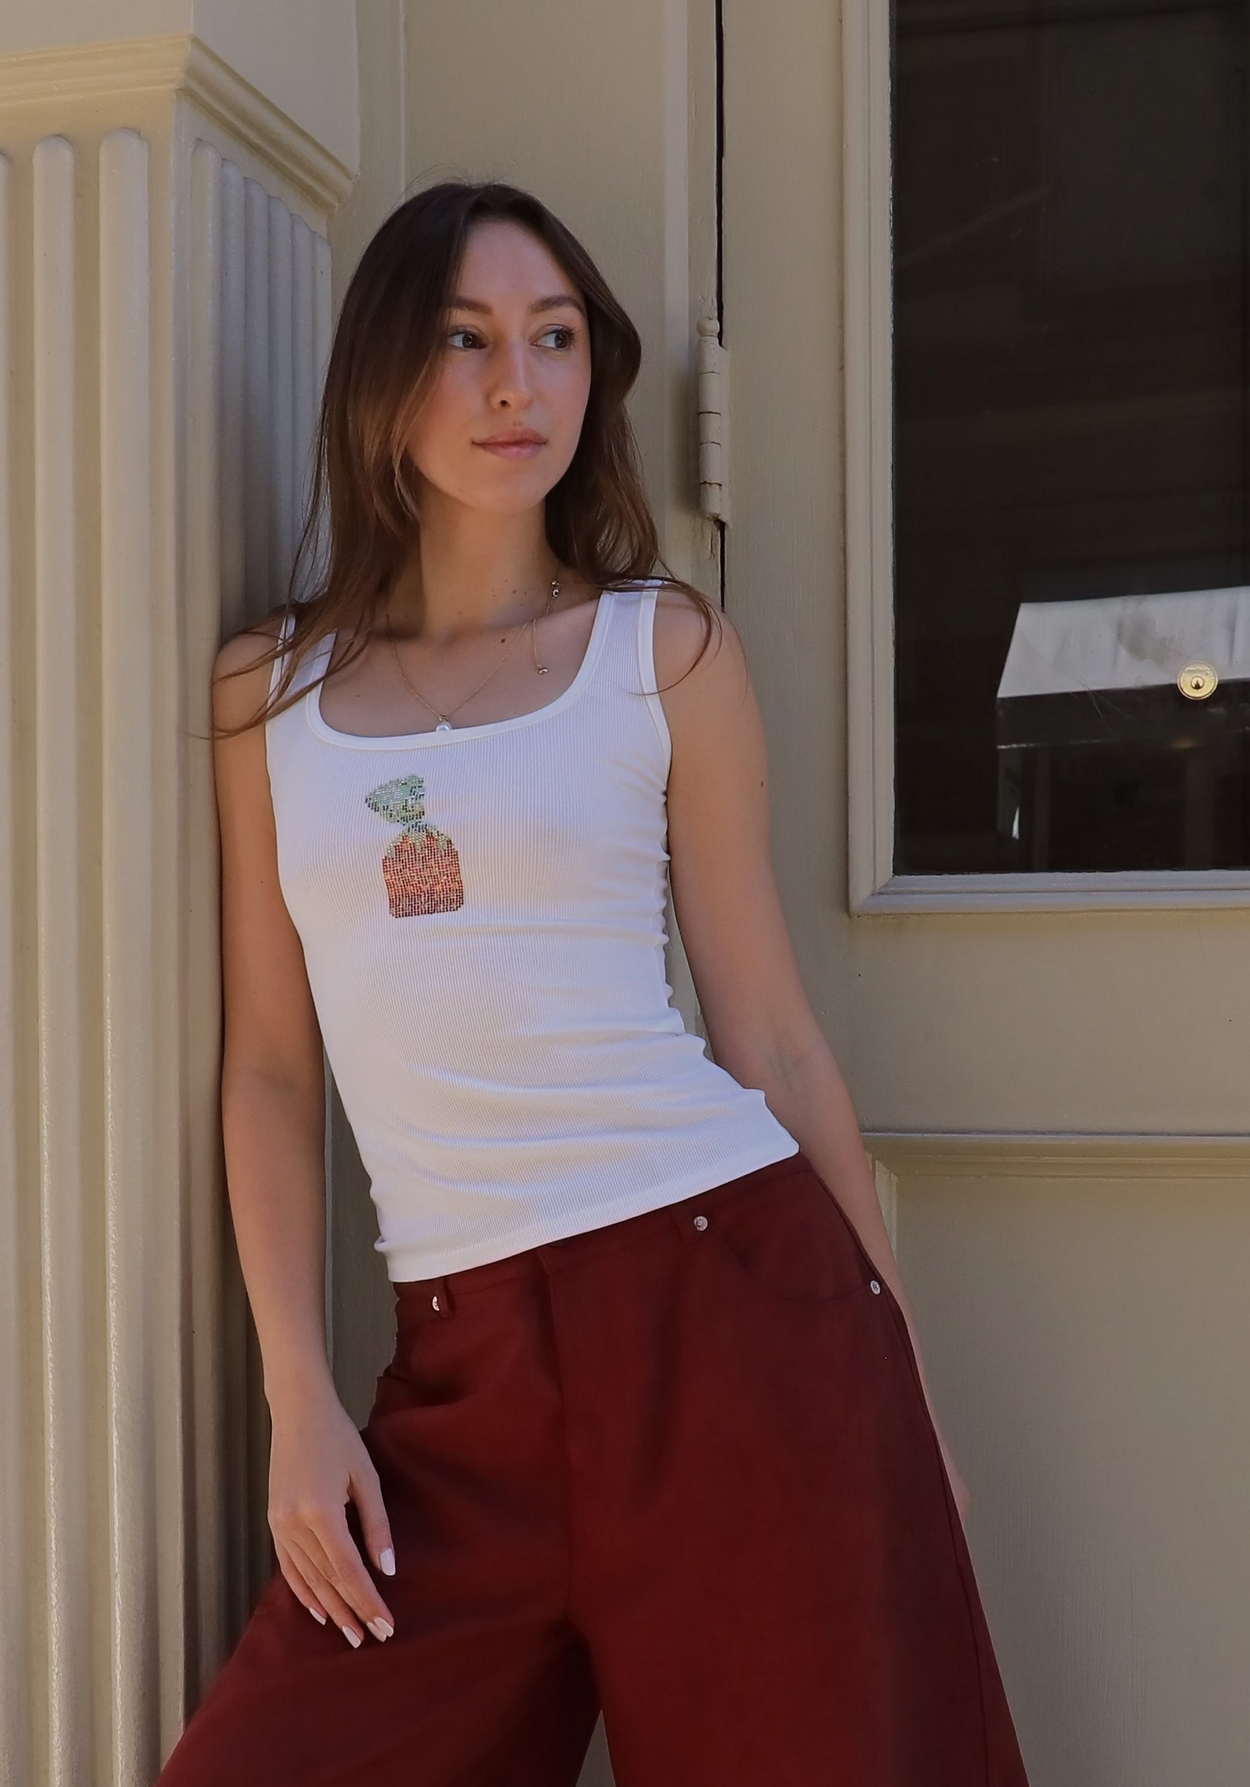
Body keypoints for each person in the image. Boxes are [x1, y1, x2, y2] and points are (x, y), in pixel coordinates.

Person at [157, 179, 1031, 1786]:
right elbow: (269, 1068)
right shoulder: (263, 693)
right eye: (468, 339)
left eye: (556, 340)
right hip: (460, 1375)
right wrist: (297, 1388)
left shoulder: (662, 653)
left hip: (732, 1322)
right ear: (381, 383)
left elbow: (767, 1032)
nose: (519, 384)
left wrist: (906, 1383)